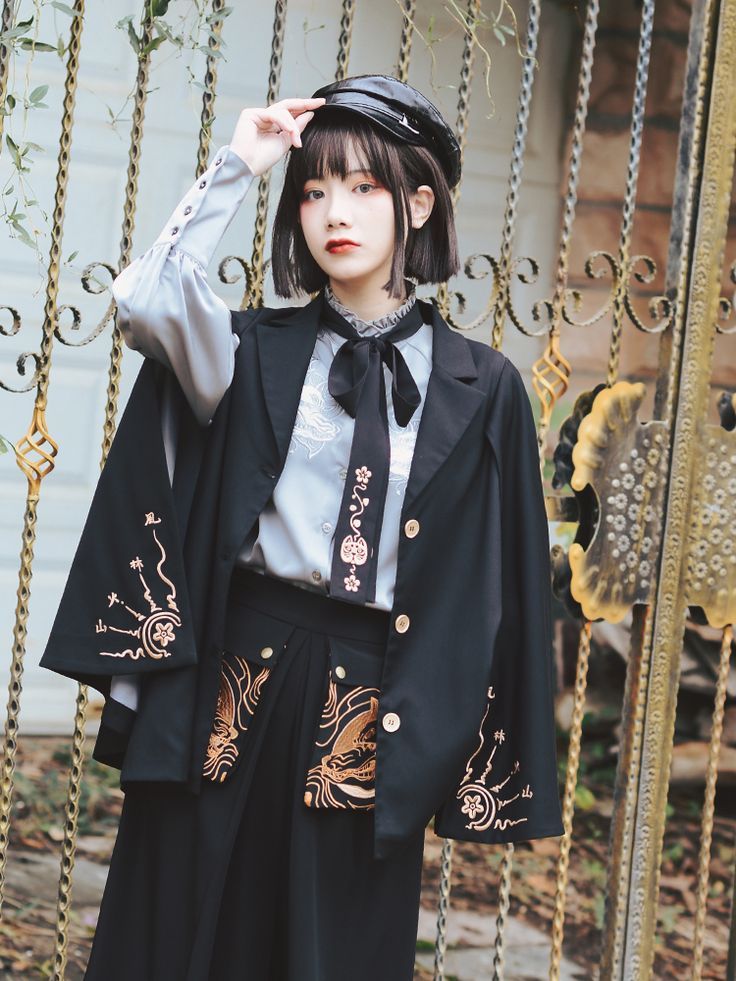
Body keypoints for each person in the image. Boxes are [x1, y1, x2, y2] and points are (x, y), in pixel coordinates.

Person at [40, 75, 564, 981]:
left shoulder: (484, 390)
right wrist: (242, 164)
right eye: (315, 190)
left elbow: (506, 578)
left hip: (376, 699)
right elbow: (149, 300)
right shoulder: (251, 351)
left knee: (332, 952)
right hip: (233, 678)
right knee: (179, 931)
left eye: (363, 187)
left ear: (420, 202)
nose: (334, 213)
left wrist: (482, 751)